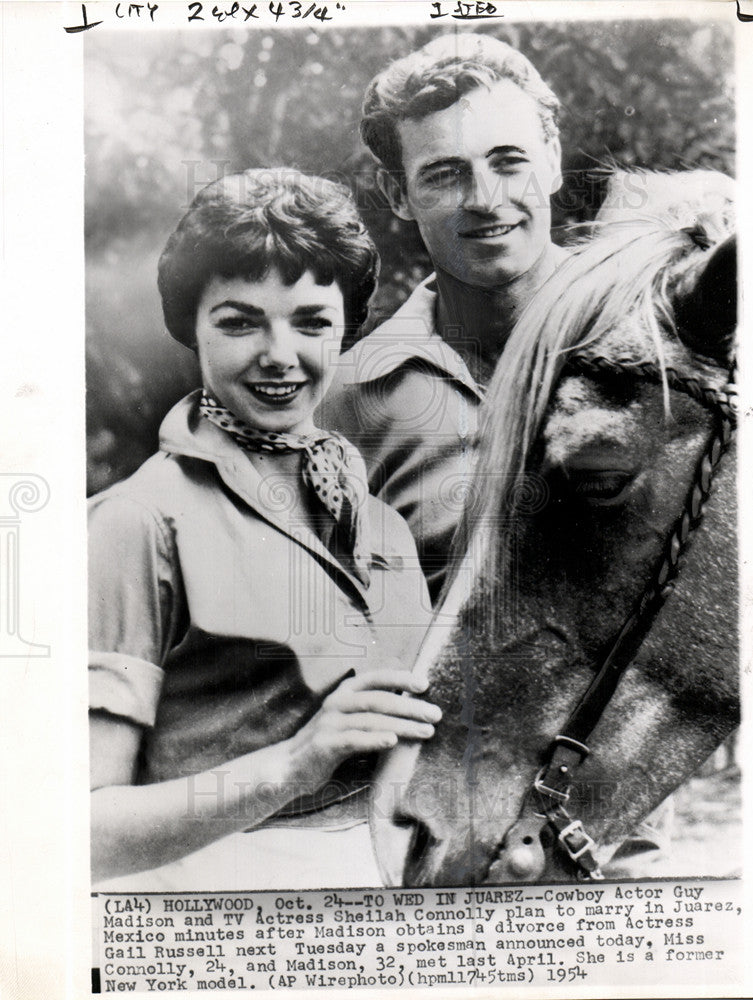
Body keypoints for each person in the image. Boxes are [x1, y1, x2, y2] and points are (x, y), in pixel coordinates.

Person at [88, 168, 438, 892]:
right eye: (240, 321)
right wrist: (293, 764)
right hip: (201, 910)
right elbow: (80, 836)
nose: (280, 354)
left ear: (347, 326)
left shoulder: (382, 531)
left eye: (310, 321)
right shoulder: (137, 521)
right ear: (191, 325)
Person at [319, 33, 566, 599]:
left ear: (551, 160)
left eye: (508, 162)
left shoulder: (654, 328)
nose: (484, 197)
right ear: (398, 193)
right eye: (444, 174)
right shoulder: (345, 401)